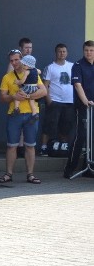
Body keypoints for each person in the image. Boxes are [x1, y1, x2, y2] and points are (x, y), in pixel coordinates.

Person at [0, 50, 47, 184]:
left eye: (16, 60)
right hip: (14, 114)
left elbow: (43, 91)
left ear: (22, 60)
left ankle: (30, 174)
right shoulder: (7, 77)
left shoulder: (33, 73)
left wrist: (29, 96)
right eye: (11, 60)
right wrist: (14, 97)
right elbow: (2, 98)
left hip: (31, 114)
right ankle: (8, 174)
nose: (14, 63)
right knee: (11, 146)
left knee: (30, 145)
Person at [64, 41, 94, 178]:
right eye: (87, 50)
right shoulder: (78, 65)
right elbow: (77, 85)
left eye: (91, 50)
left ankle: (88, 168)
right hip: (83, 106)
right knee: (81, 136)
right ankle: (70, 168)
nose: (89, 53)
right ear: (83, 51)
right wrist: (86, 101)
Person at [39, 43, 75, 156]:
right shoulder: (50, 67)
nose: (62, 53)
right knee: (49, 124)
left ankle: (62, 148)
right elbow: (45, 85)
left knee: (66, 125)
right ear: (56, 53)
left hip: (69, 102)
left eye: (64, 51)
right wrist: (49, 100)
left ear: (67, 53)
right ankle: (44, 147)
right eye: (59, 51)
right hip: (54, 101)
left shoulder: (72, 66)